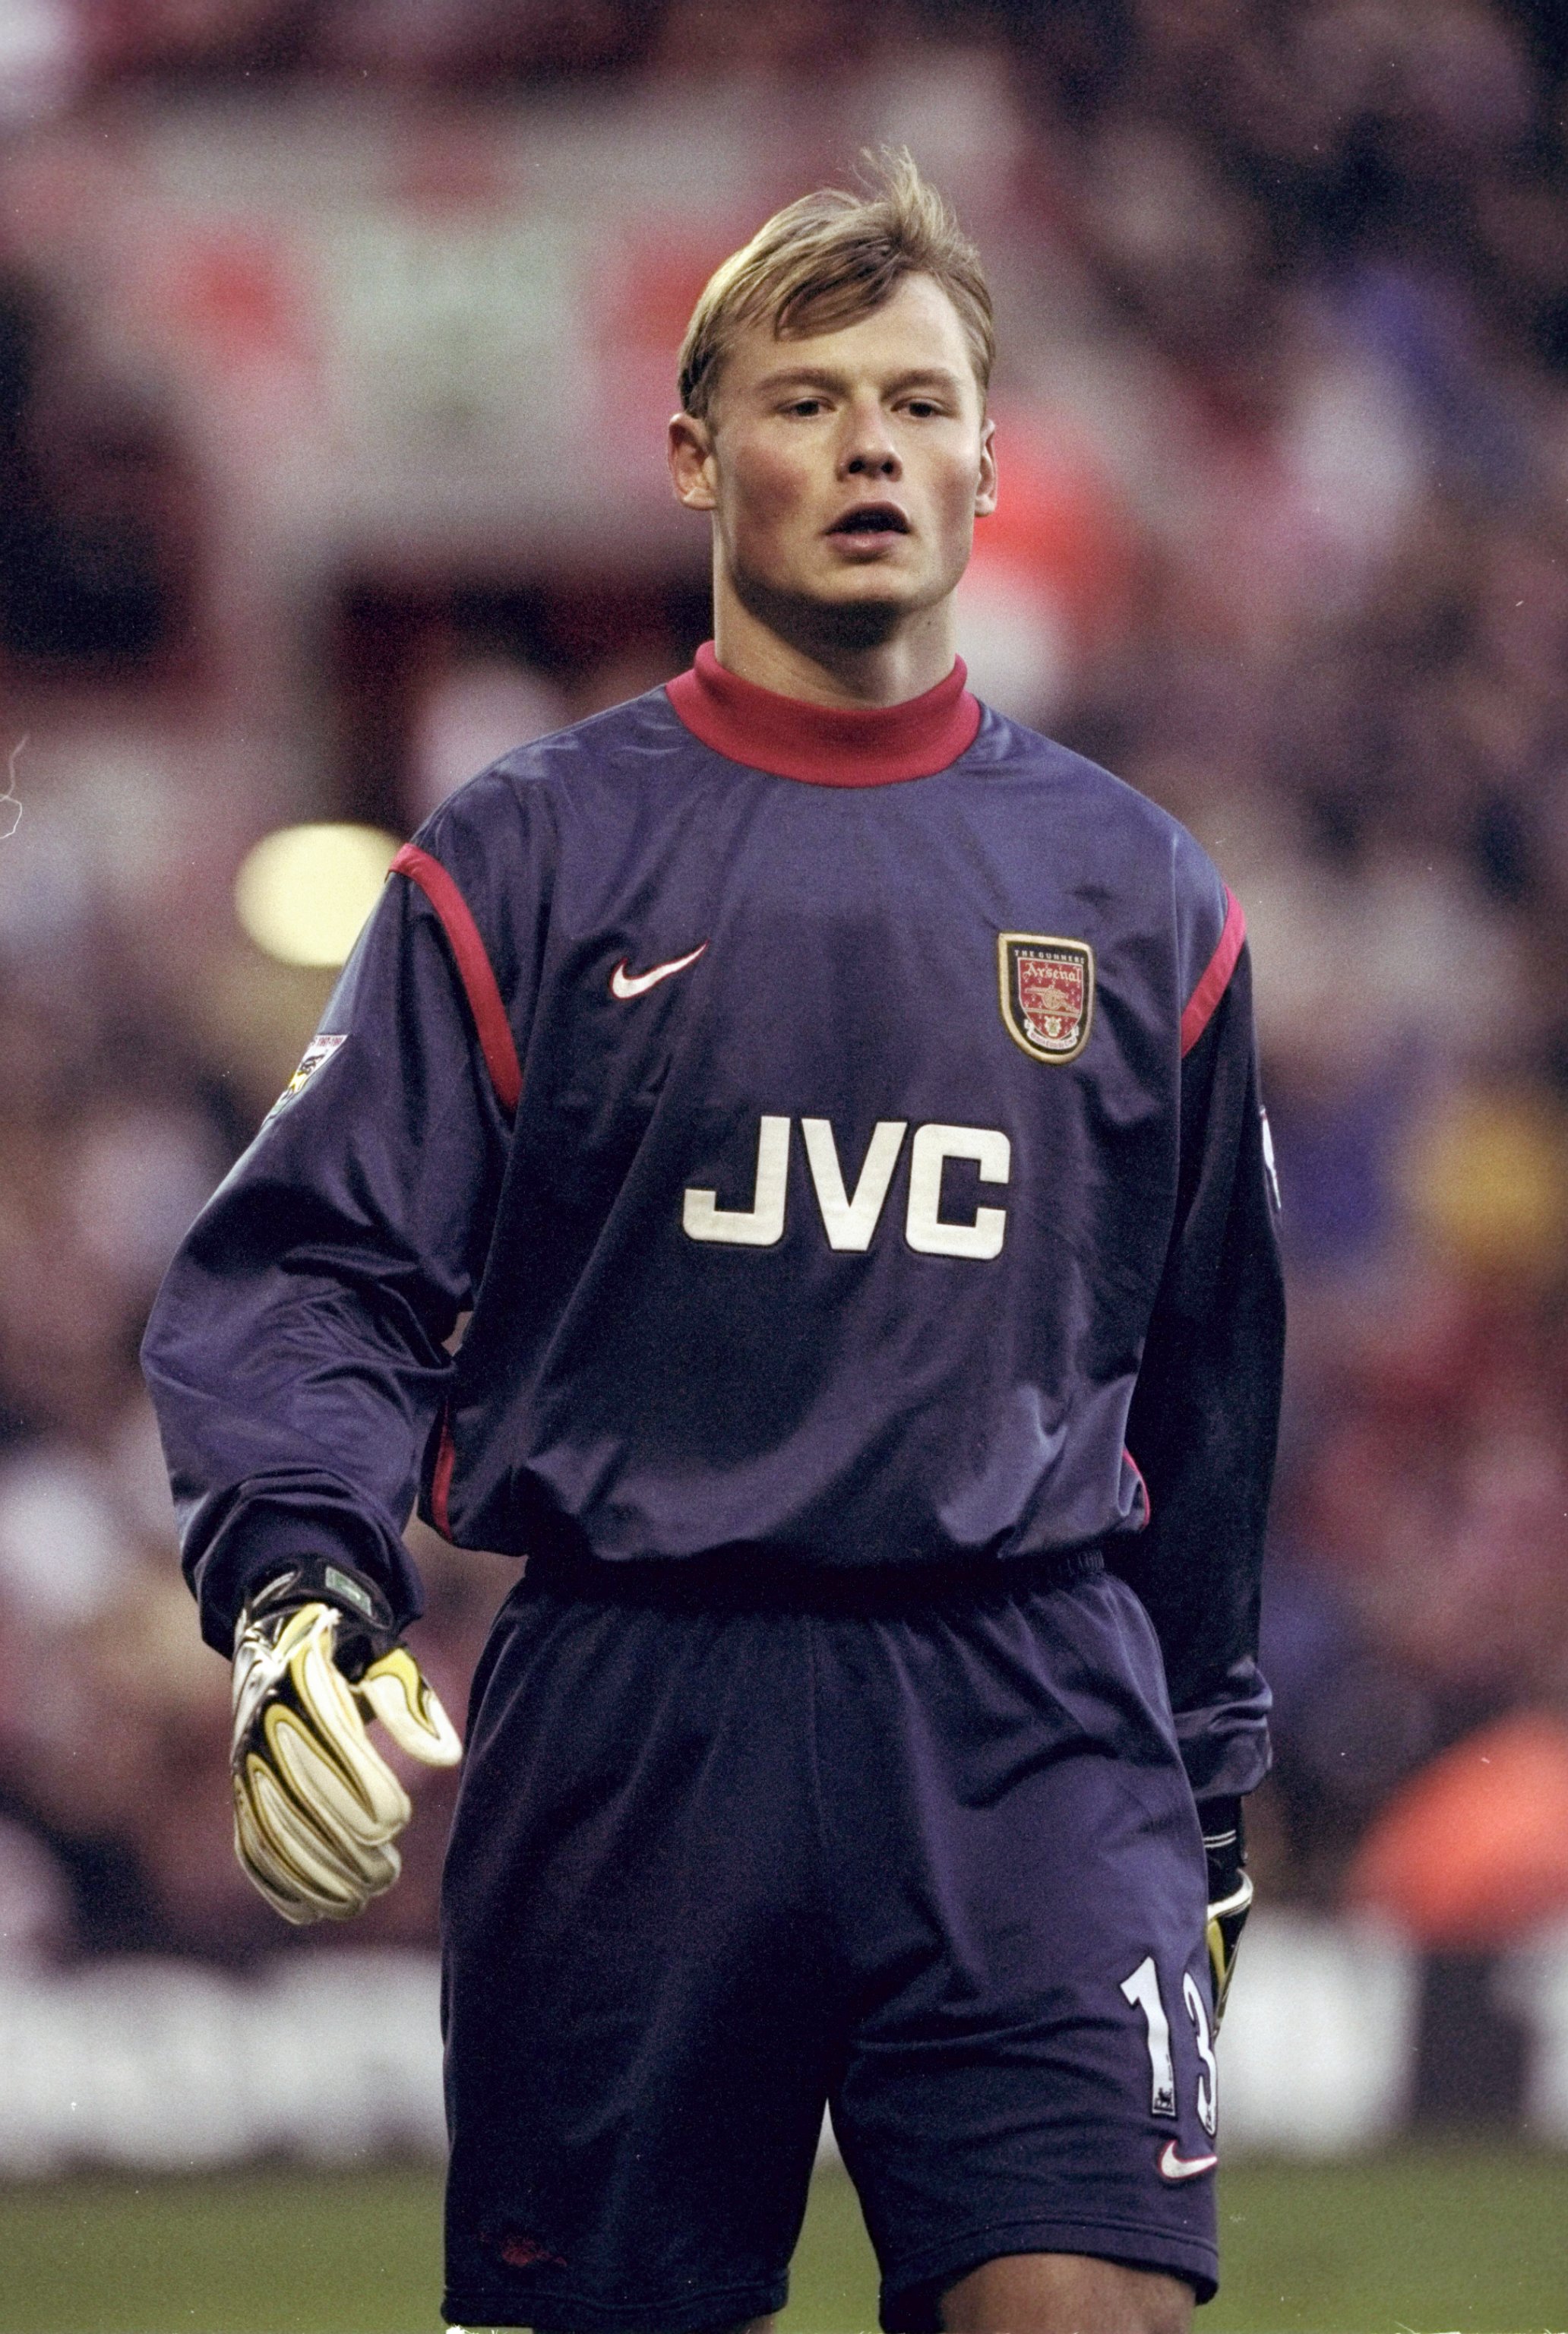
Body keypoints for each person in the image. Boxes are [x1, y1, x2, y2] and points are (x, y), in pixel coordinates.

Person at [143, 153, 1283, 2334]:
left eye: (926, 402)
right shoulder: (523, 863)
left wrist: (1209, 1781)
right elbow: (319, 1278)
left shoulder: (1144, 898)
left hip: (1026, 1709)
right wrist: (298, 1589)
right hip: (637, 1718)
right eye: (811, 397)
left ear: (985, 456)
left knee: (1090, 2310)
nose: (875, 445)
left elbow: (1210, 1382)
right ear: (692, 455)